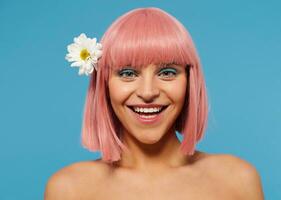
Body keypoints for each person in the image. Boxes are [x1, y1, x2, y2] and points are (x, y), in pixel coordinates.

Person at [44, 7, 264, 199]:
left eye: (167, 72)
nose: (148, 92)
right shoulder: (68, 189)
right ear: (104, 84)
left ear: (189, 81)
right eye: (128, 73)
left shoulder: (238, 180)